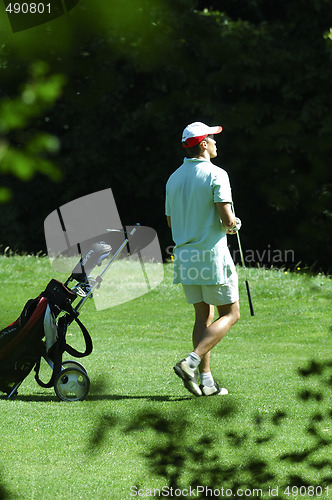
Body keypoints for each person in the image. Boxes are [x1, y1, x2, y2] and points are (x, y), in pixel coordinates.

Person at [165, 121, 241, 397]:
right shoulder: (217, 174)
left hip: (184, 256)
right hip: (211, 255)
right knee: (231, 314)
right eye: (212, 138)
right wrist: (234, 224)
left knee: (203, 315)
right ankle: (192, 361)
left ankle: (207, 382)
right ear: (203, 144)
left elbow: (170, 220)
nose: (216, 142)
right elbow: (226, 218)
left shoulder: (173, 178)